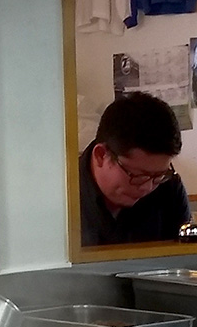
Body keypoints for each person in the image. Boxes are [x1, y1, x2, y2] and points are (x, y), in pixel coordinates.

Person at [80, 92, 190, 246]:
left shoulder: (169, 188)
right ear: (101, 155)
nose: (147, 187)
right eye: (137, 175)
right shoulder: (62, 195)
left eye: (158, 176)